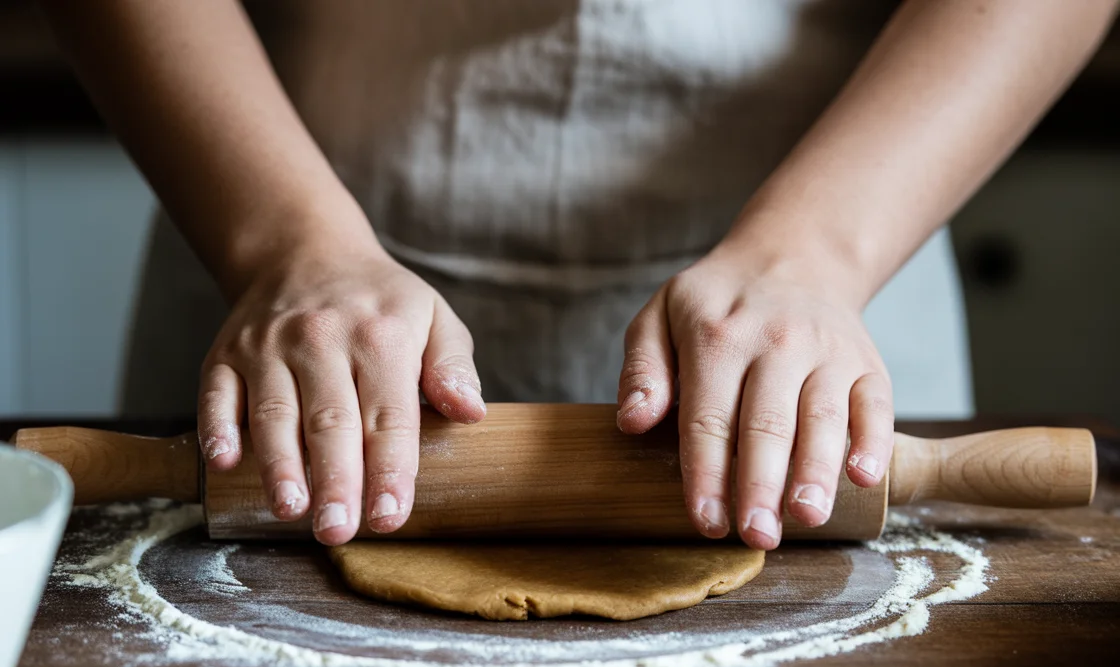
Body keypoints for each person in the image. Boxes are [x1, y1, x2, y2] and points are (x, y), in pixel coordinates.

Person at [41, 0, 1118, 550]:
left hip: (837, 272)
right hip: (286, 252)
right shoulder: (283, 251)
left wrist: (816, 252)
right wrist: (285, 243)